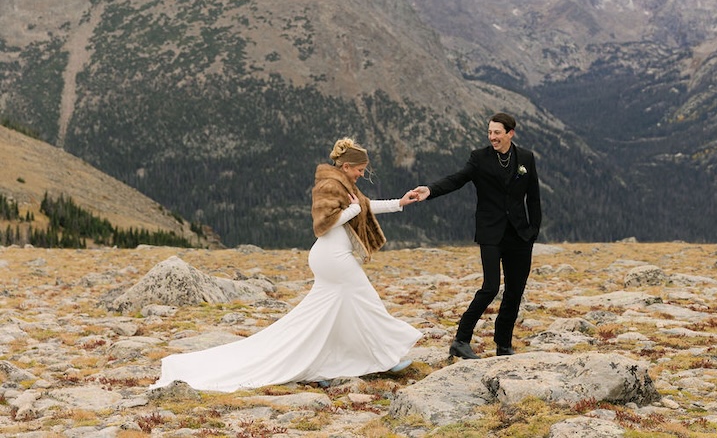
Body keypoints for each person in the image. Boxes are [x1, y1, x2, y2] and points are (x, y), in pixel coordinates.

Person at [151, 137, 421, 392]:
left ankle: (323, 366)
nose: (362, 174)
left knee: (326, 316)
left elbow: (364, 205)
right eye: (360, 169)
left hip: (331, 259)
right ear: (347, 166)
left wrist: (399, 203)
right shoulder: (329, 185)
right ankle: (386, 359)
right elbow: (324, 224)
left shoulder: (344, 184)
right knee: (369, 304)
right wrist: (351, 211)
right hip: (333, 259)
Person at [414, 112, 541, 359]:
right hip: (490, 233)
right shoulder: (479, 158)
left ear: (510, 134)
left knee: (515, 292)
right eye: (490, 132)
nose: (492, 137)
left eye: (497, 132)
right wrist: (430, 190)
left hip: (520, 235)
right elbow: (458, 179)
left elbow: (533, 197)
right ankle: (461, 340)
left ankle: (503, 345)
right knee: (490, 287)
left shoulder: (526, 157)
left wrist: (533, 230)